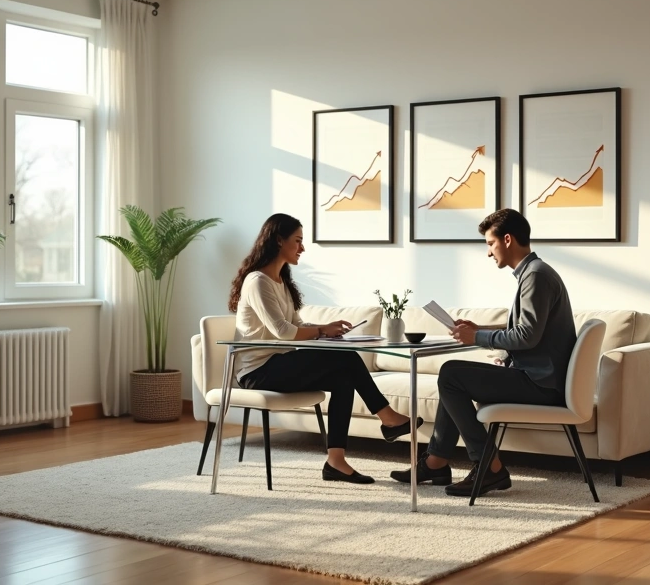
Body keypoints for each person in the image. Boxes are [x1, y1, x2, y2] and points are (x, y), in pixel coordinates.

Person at [390, 208, 576, 497]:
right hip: (539, 378)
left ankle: (488, 466)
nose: (489, 253)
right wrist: (481, 328)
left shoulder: (536, 276)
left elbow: (527, 336)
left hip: (541, 384)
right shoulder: (533, 273)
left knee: (451, 374)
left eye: (490, 244)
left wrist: (476, 337)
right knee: (453, 378)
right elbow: (529, 328)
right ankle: (436, 462)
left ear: (508, 239)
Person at [229, 213, 419, 484]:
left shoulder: (280, 282)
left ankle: (336, 462)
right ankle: (388, 418)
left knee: (343, 379)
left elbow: (296, 324)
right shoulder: (257, 281)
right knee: (349, 359)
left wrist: (325, 328)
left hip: (278, 364)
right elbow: (283, 332)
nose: (302, 248)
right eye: (297, 241)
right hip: (257, 372)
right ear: (278, 240)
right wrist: (320, 331)